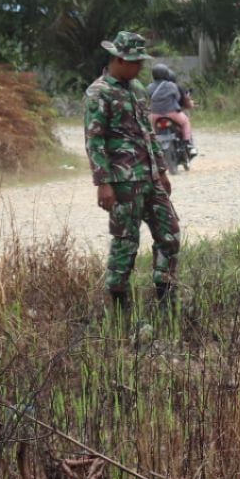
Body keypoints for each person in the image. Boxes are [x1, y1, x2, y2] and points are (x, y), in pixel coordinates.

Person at [83, 31, 181, 320]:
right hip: (122, 181)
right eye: (135, 61)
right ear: (118, 59)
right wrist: (103, 184)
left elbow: (149, 132)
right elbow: (94, 141)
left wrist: (161, 170)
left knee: (170, 233)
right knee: (126, 242)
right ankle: (119, 305)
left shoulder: (138, 88)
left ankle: (165, 293)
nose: (140, 67)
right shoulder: (98, 92)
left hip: (149, 177)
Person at [147, 64, 196, 158]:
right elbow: (178, 97)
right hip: (172, 113)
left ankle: (152, 148)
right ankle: (188, 143)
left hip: (155, 115)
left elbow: (148, 98)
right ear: (166, 74)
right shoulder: (171, 85)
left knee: (152, 131)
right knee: (185, 122)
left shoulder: (149, 87)